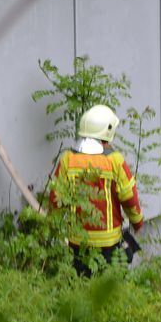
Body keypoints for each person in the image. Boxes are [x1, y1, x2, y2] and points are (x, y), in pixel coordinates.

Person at [48, 104, 143, 276]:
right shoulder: (115, 161)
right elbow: (130, 198)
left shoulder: (68, 159)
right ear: (107, 133)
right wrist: (138, 222)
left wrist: (53, 228)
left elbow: (55, 199)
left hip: (77, 243)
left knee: (80, 285)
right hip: (109, 244)